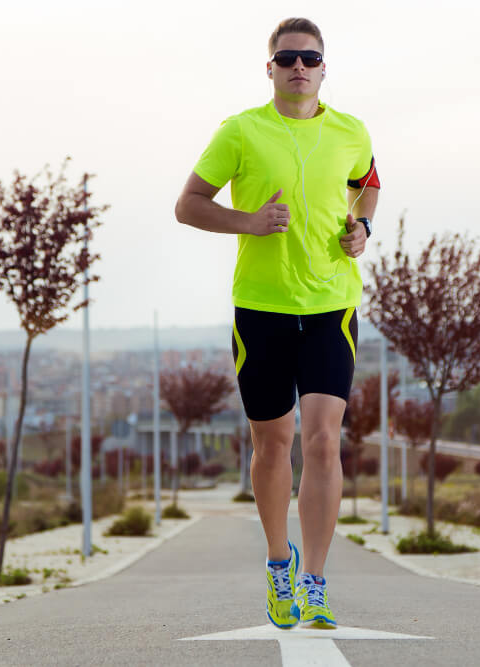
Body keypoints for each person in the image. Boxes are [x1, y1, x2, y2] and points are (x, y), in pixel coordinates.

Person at [174, 17, 380, 630]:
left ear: (323, 67)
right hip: (261, 307)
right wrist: (250, 222)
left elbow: (366, 187)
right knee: (274, 444)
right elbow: (187, 205)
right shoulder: (240, 131)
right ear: (270, 68)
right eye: (287, 57)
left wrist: (362, 227)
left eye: (309, 58)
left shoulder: (351, 132)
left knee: (322, 439)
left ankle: (315, 579)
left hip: (331, 306)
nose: (298, 67)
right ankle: (277, 563)